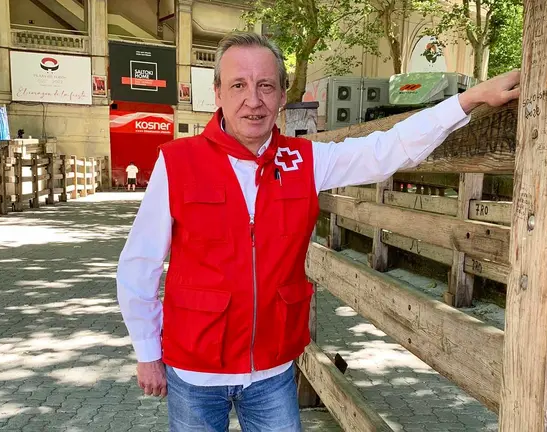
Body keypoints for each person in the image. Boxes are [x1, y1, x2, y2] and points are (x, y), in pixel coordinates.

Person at [116, 32, 519, 432]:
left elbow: (387, 149)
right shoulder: (177, 163)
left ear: (281, 96)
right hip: (195, 368)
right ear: (218, 93)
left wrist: (467, 100)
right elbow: (139, 264)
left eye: (265, 86)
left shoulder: (305, 161)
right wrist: (148, 352)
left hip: (272, 369)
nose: (252, 100)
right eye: (238, 85)